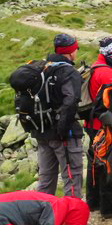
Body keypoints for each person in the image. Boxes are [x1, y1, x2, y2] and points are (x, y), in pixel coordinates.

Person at [36, 33, 84, 199]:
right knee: (72, 177)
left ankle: (41, 218)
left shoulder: (42, 67)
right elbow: (71, 101)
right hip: (63, 135)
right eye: (76, 49)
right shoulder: (68, 72)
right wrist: (63, 130)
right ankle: (72, 222)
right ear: (70, 52)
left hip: (42, 132)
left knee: (45, 178)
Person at [85, 37, 112, 219]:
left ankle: (93, 202)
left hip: (92, 123)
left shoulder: (95, 67)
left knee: (94, 162)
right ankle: (109, 206)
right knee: (106, 163)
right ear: (111, 55)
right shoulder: (107, 74)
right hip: (103, 126)